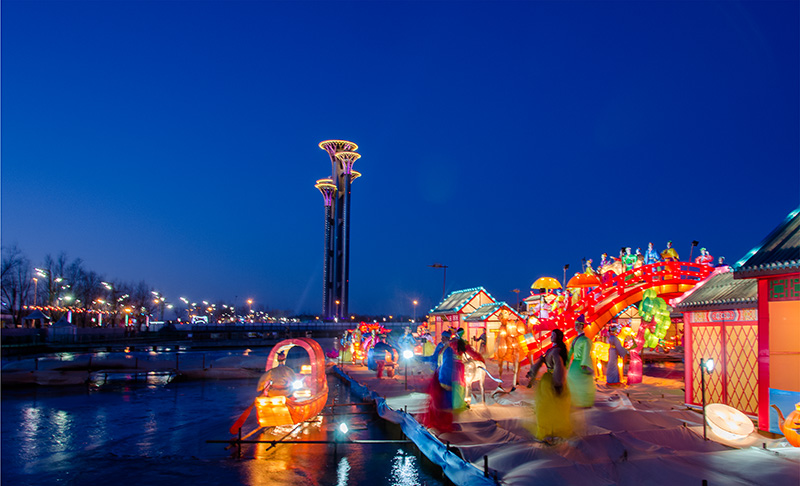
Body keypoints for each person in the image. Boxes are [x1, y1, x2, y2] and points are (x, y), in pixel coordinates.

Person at [527, 329, 572, 441]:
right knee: (546, 406)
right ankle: (549, 430)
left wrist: (558, 383)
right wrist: (532, 373)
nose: (551, 337)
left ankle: (551, 431)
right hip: (548, 381)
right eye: (551, 335)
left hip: (551, 381)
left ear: (558, 337)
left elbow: (558, 368)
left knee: (548, 406)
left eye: (553, 335)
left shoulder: (556, 351)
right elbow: (540, 362)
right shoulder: (551, 350)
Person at [567, 316, 595, 407]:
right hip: (574, 364)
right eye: (576, 324)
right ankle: (574, 400)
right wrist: (566, 361)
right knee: (572, 382)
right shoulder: (575, 339)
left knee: (582, 383)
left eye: (579, 325)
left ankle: (583, 401)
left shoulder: (586, 341)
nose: (577, 326)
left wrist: (584, 364)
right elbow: (570, 351)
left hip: (581, 364)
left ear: (582, 326)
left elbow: (586, 353)